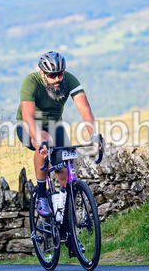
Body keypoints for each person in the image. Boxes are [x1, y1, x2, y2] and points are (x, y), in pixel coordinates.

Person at [16, 51, 103, 217]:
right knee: (43, 141)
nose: (57, 79)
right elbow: (28, 116)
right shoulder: (31, 81)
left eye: (60, 74)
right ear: (42, 73)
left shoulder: (69, 80)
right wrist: (38, 138)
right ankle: (42, 194)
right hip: (28, 125)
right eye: (51, 75)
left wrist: (94, 137)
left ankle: (65, 222)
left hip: (55, 127)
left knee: (65, 165)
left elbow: (85, 109)